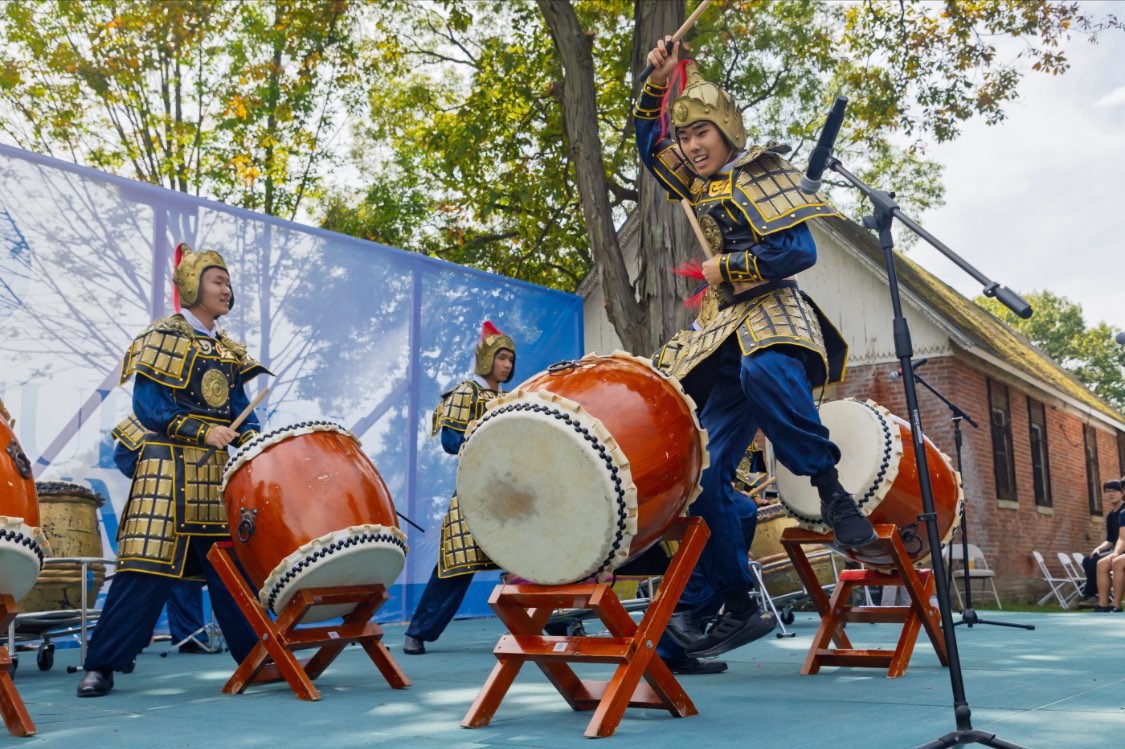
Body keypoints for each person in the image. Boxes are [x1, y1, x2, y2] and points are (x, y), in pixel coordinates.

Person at [634, 38, 876, 660]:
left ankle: (831, 492)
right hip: (720, 329)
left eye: (702, 133)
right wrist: (658, 81)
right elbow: (647, 148)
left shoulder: (762, 172)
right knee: (703, 475)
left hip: (771, 309)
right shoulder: (694, 184)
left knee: (766, 371)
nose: (692, 146)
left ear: (727, 131)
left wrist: (729, 266)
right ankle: (739, 602)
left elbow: (798, 251)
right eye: (686, 137)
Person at [77, 245, 265, 697]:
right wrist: (203, 431)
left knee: (231, 573)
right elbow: (150, 407)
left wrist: (253, 439)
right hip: (164, 473)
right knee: (143, 568)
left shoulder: (229, 350)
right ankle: (102, 665)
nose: (227, 289)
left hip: (213, 475)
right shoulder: (162, 335)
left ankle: (260, 657)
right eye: (218, 281)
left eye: (228, 282)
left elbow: (241, 411)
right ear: (192, 286)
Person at [402, 322, 515, 655]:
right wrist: (484, 438)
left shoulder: (510, 398)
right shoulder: (466, 392)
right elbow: (451, 441)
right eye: (502, 358)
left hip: (510, 493)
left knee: (531, 559)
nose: (507, 365)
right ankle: (418, 632)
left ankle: (556, 625)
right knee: (456, 563)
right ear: (487, 358)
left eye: (511, 359)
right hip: (473, 492)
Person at [112, 416, 214, 655]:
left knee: (185, 575)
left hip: (191, 506)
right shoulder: (149, 414)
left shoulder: (201, 416)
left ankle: (191, 636)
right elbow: (124, 456)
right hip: (154, 507)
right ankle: (130, 642)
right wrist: (154, 474)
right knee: (144, 575)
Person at [1081, 479, 1124, 601]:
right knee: (1088, 560)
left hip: (1122, 550)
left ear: (1122, 493)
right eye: (1108, 491)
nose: (1111, 494)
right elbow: (1110, 540)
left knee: (1096, 561)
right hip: (1116, 549)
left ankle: (1091, 594)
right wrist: (1098, 548)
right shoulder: (1110, 516)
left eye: (1114, 491)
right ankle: (1096, 593)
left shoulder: (1124, 511)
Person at [1093, 479, 1125, 612]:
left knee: (1118, 562)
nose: (1111, 494)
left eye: (1114, 491)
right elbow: (1122, 538)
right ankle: (1104, 604)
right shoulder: (1123, 513)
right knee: (1101, 563)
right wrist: (1116, 553)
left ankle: (1116, 605)